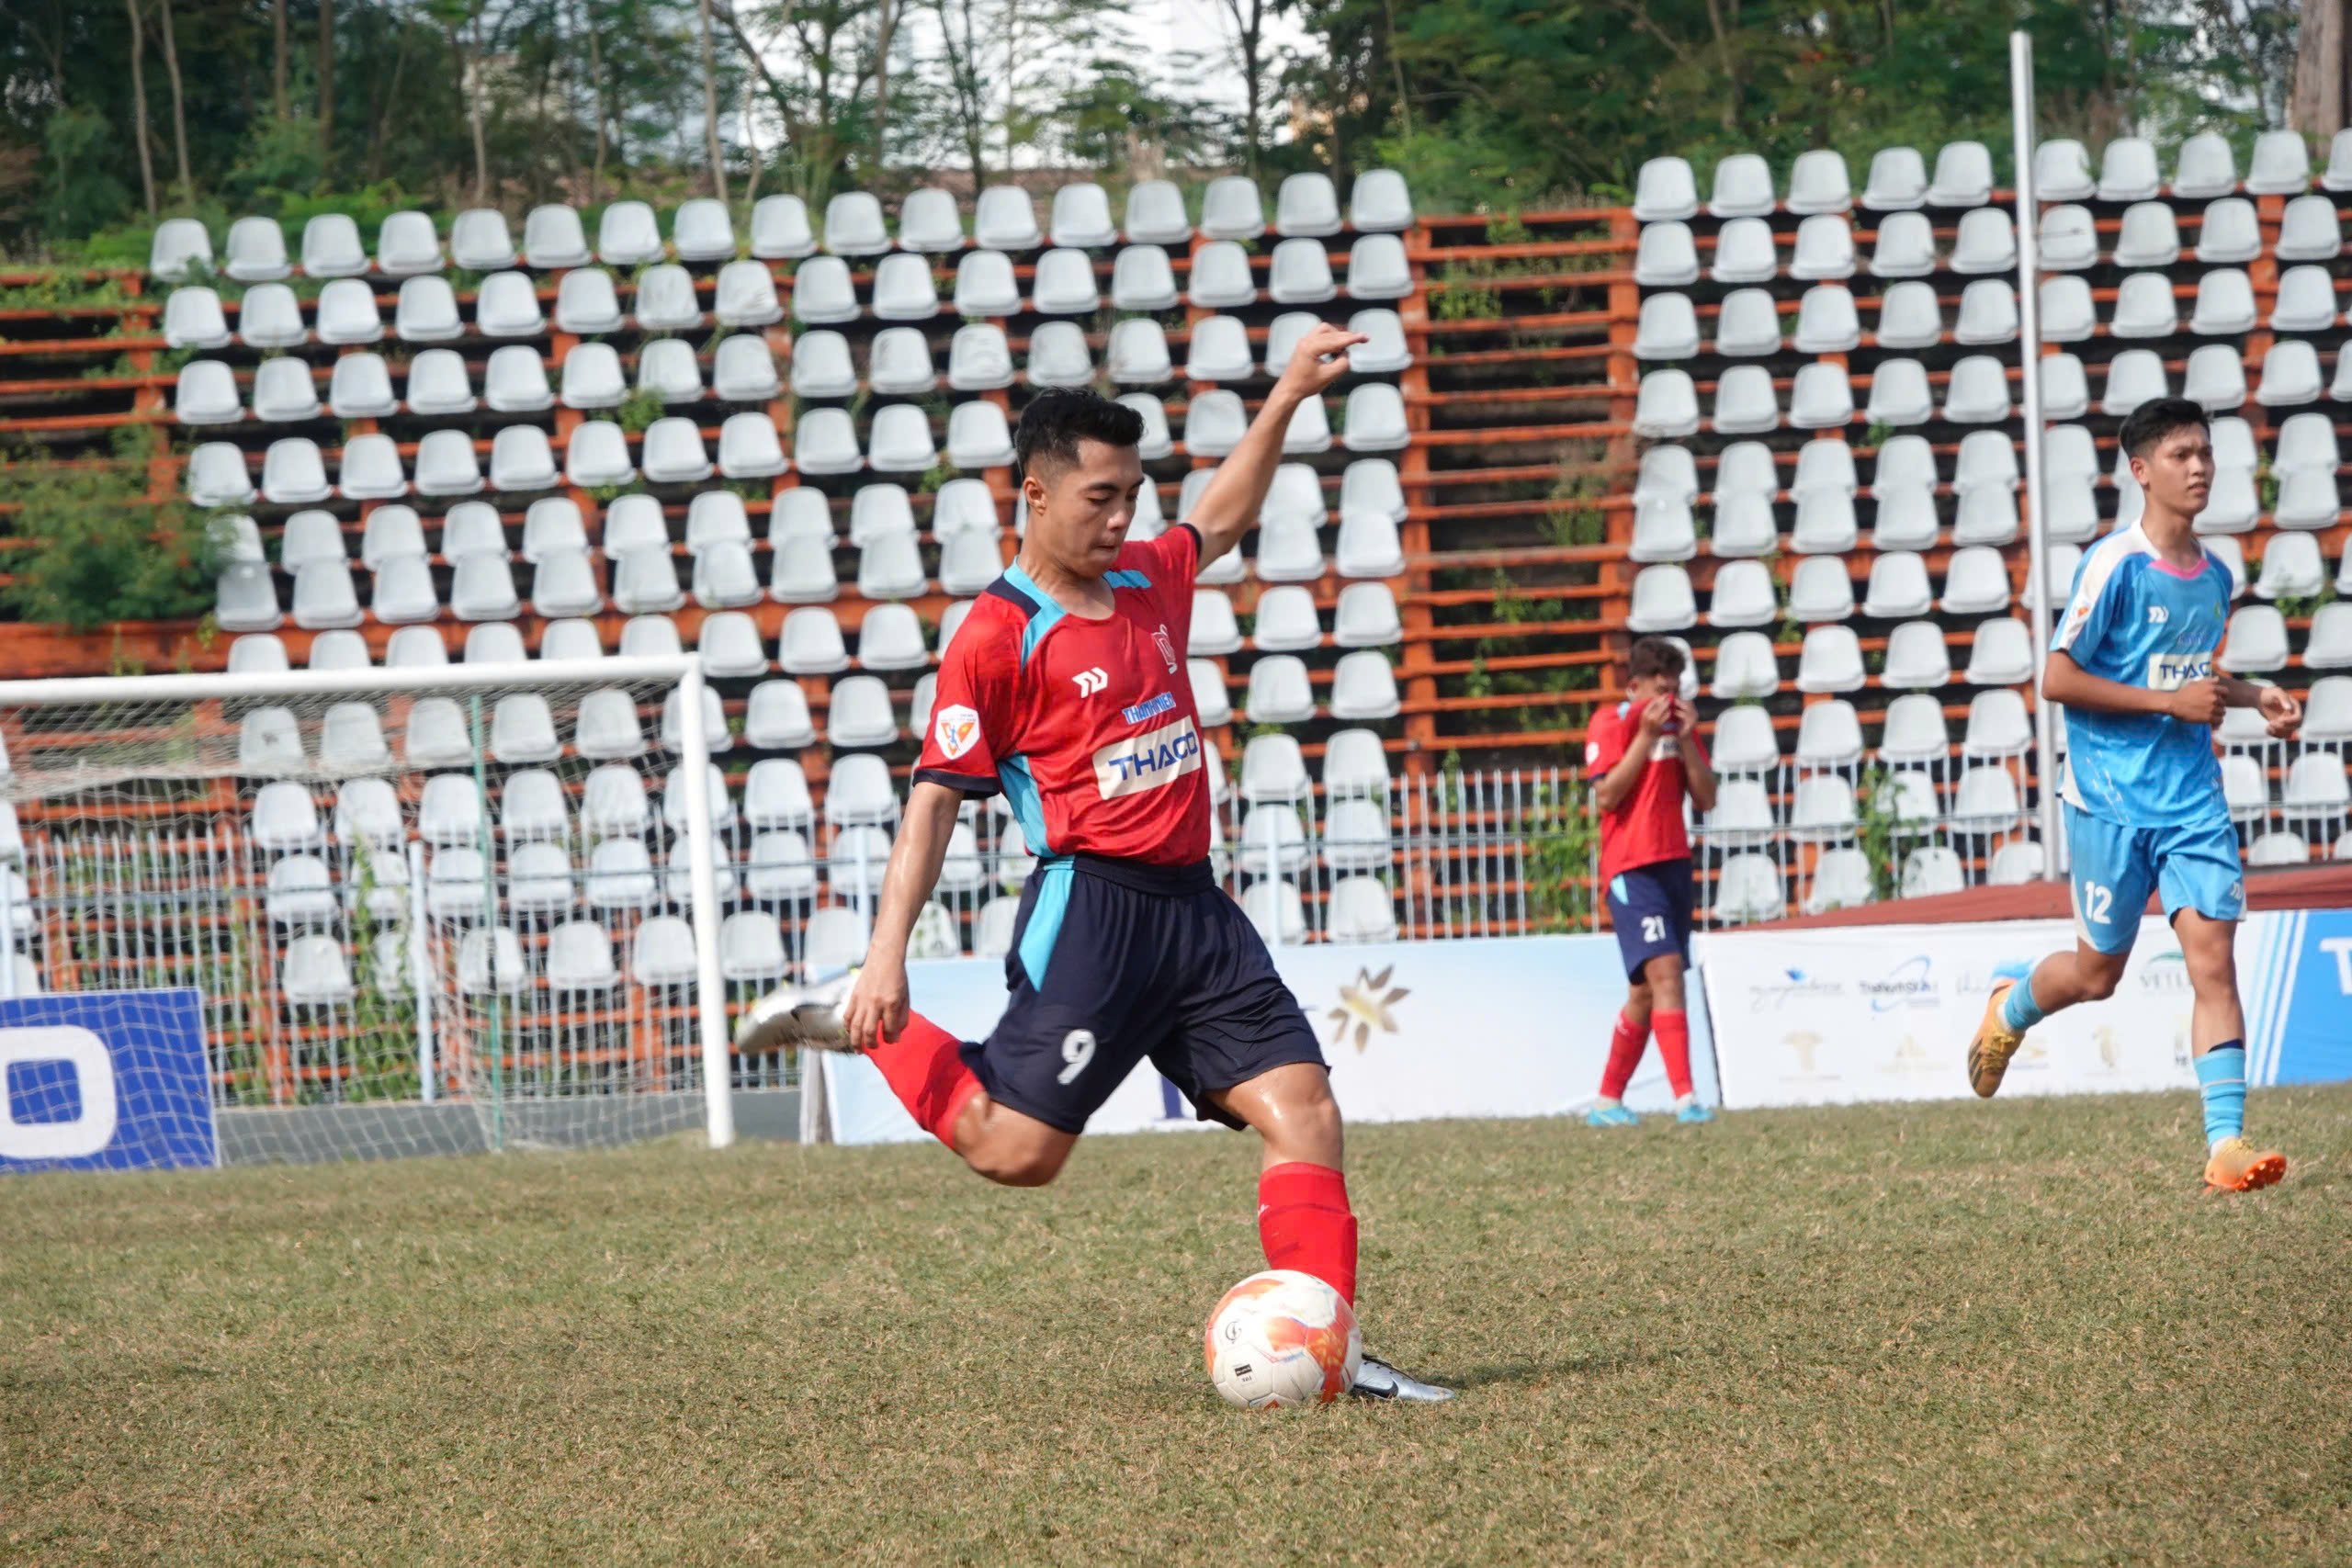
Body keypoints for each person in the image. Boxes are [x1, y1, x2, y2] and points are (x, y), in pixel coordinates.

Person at [737, 324, 1451, 1401]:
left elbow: (1220, 514)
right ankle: (859, 1020)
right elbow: (933, 807)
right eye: (1099, 498)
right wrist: (888, 958)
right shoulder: (996, 637)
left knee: (1304, 1110)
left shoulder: (1150, 581)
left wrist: (1290, 393)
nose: (1123, 519)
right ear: (1032, 494)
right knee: (1018, 1155)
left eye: (1131, 496)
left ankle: (1331, 1352)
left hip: (1196, 913)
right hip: (1095, 912)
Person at [1966, 398, 2302, 1192]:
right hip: (2109, 802)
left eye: (2206, 452)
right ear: (2141, 470)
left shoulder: (2217, 575)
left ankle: (2225, 1145)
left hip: (2191, 800)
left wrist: (2257, 697)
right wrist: (2168, 706)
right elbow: (2056, 677)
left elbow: (2192, 679)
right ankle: (2010, 1007)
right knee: (2094, 975)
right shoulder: (2114, 564)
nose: (2200, 467)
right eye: (2182, 454)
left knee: (2213, 963)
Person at [1583, 637, 1717, 1127]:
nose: (1667, 700)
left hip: (1674, 864)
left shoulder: (1682, 728)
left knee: (1645, 991)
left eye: (1674, 689)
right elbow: (1607, 797)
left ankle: (1606, 1102)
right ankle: (1686, 1100)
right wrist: (1643, 735)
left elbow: (1706, 798)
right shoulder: (1609, 722)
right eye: (1657, 690)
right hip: (1630, 868)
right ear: (1634, 686)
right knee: (1665, 973)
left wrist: (1684, 740)